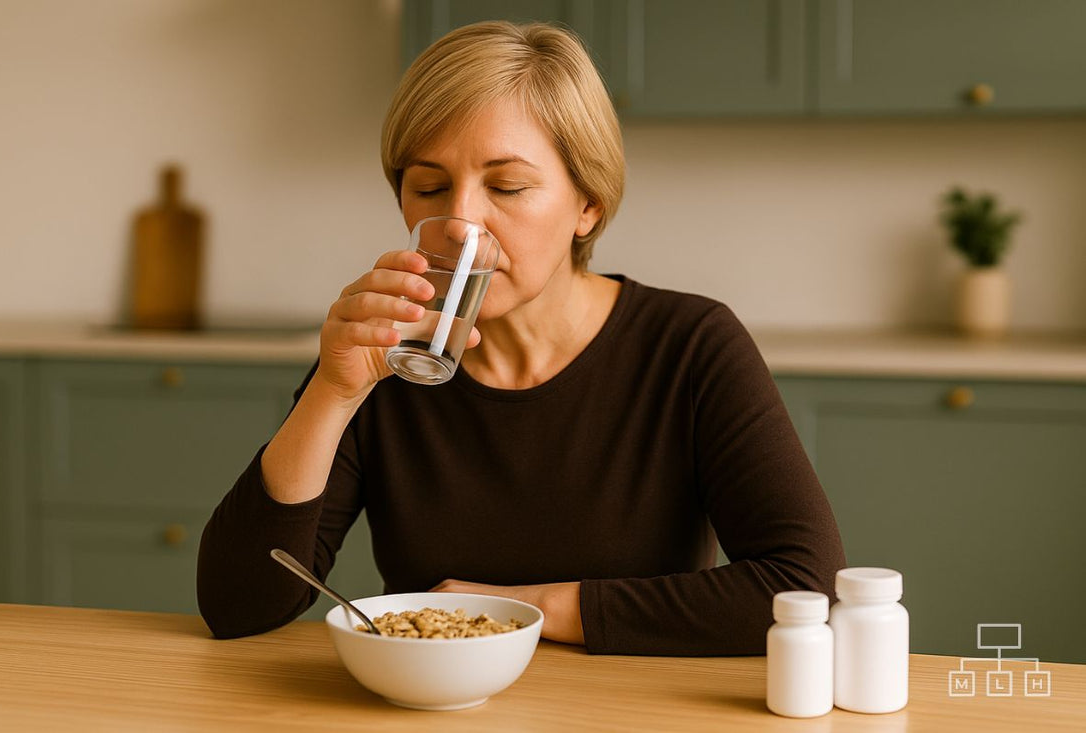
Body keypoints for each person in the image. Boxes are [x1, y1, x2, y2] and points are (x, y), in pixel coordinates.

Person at [197, 20, 846, 656]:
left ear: (587, 203)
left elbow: (804, 584)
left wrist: (514, 611)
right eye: (429, 186)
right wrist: (332, 395)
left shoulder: (689, 346)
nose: (460, 220)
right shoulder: (386, 359)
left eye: (507, 185)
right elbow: (237, 604)